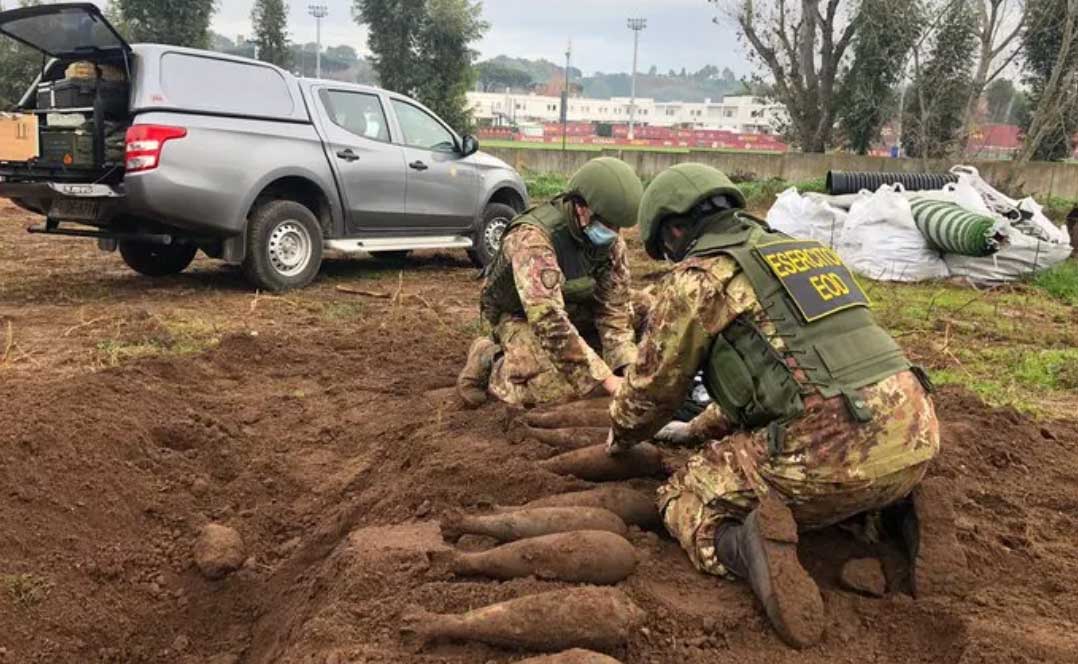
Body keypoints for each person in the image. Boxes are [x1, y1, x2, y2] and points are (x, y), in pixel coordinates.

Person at [606, 163, 941, 648]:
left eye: (669, 246)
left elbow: (653, 391)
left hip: (826, 454)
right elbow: (798, 372)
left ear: (676, 228)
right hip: (918, 433)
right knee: (848, 459)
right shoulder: (807, 252)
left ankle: (743, 548)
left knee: (684, 495)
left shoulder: (699, 278)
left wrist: (620, 433)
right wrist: (700, 426)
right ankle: (903, 510)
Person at [457, 157, 644, 409]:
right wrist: (608, 380)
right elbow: (548, 320)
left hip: (572, 305)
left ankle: (590, 355)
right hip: (520, 315)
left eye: (618, 226)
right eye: (607, 224)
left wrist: (627, 366)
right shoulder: (532, 240)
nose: (614, 233)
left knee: (649, 306)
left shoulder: (609, 243)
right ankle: (491, 359)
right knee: (553, 392)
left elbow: (615, 309)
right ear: (580, 208)